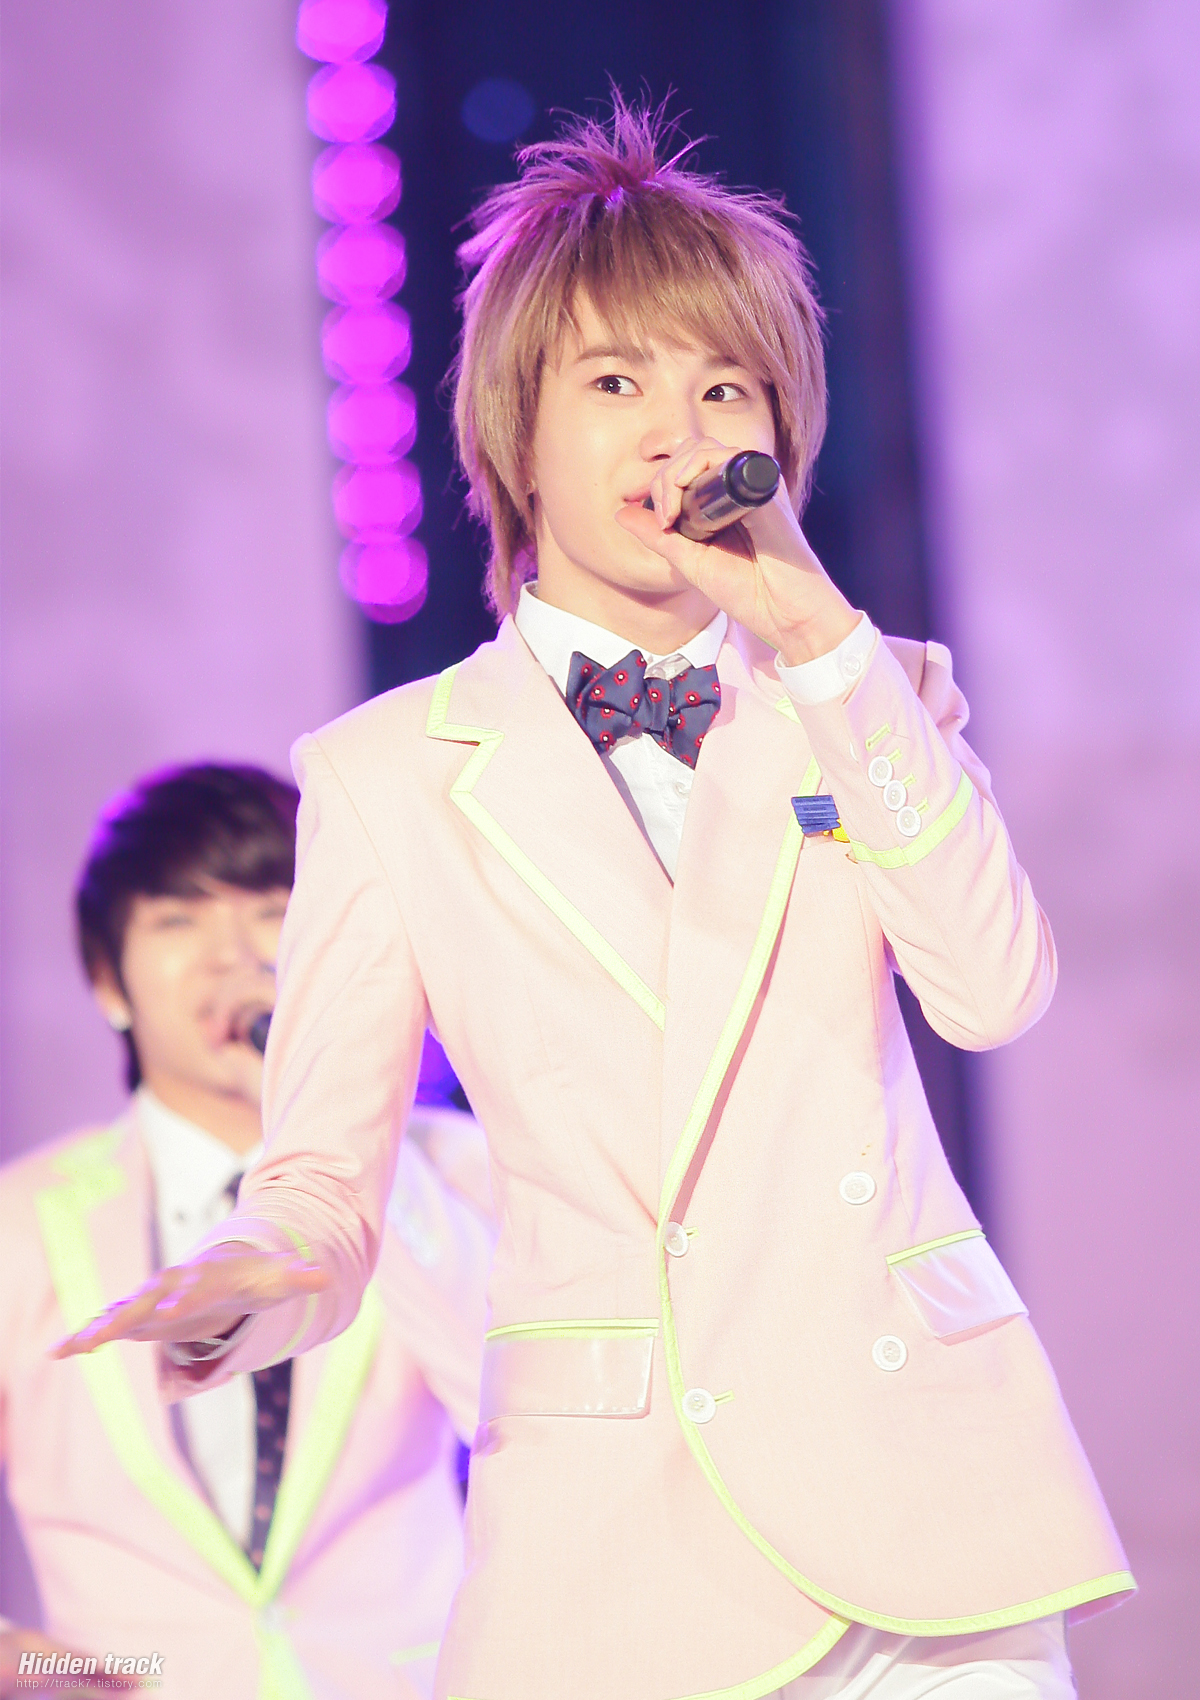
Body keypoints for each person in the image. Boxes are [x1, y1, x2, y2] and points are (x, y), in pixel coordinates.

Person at [56, 103, 1134, 1699]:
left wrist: (818, 640)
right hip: (618, 1540)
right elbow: (324, 1175)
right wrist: (261, 1274)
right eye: (617, 384)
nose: (673, 433)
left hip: (925, 1515)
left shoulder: (868, 695)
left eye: (722, 389)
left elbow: (992, 992)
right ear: (517, 431)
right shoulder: (388, 773)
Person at [1, 764, 494, 1700]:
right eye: (178, 919)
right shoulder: (20, 1222)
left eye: (272, 912)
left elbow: (514, 1403)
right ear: (108, 981)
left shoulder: (452, 1169)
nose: (235, 956)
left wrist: (356, 1138)